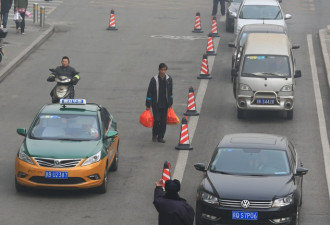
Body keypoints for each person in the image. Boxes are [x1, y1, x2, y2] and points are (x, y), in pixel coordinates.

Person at [146, 63, 173, 143]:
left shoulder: (169, 79)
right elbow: (149, 92)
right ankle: (154, 135)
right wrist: (148, 105)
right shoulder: (154, 80)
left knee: (163, 121)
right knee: (157, 120)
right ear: (159, 70)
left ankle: (160, 137)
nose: (163, 71)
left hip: (165, 104)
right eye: (161, 70)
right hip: (156, 104)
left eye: (164, 70)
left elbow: (170, 92)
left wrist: (170, 103)